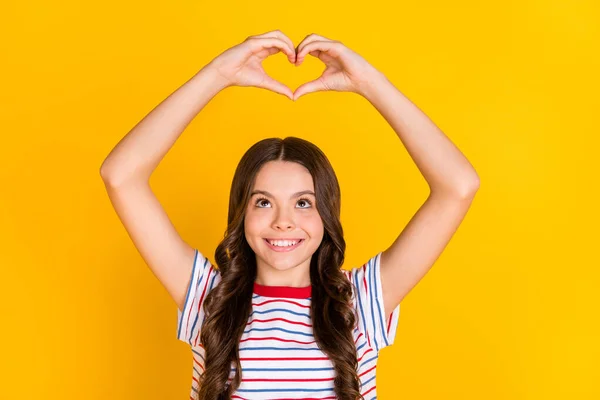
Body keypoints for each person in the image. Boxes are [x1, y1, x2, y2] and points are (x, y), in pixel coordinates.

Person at [100, 30, 480, 400]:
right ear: (241, 214)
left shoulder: (362, 301)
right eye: (263, 202)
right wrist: (217, 75)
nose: (283, 221)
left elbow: (458, 185)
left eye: (303, 203)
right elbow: (120, 176)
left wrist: (369, 82)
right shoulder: (207, 298)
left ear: (326, 215)